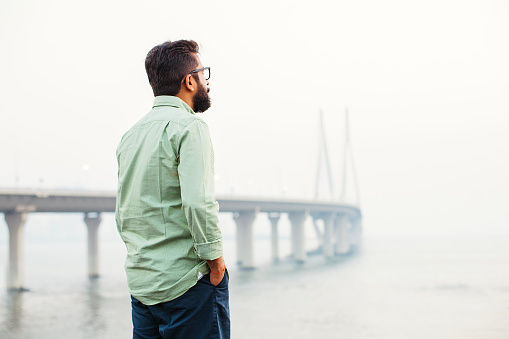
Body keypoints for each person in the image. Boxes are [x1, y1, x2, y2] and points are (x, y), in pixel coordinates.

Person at [115, 39, 229, 339]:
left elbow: (124, 212)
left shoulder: (130, 136)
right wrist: (216, 264)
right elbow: (198, 204)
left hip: (143, 287)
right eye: (203, 74)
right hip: (187, 286)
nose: (207, 82)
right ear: (189, 81)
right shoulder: (190, 128)